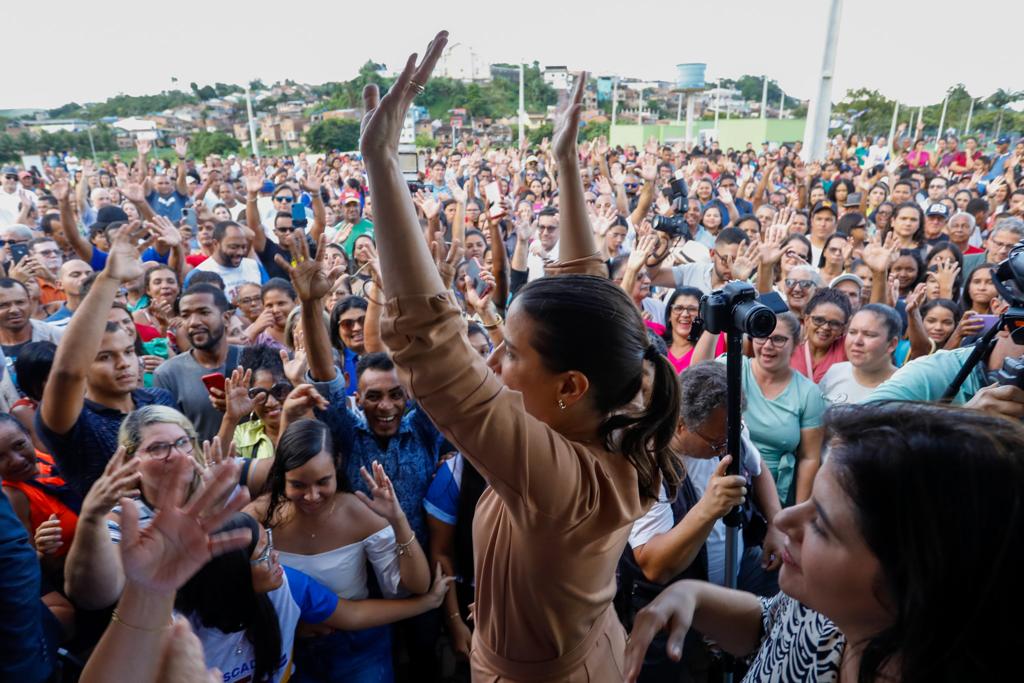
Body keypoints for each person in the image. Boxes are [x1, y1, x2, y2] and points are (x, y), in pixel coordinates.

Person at [348, 40, 682, 680]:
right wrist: (564, 162)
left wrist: (383, 168)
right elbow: (589, 291)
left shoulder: (563, 481)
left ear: (569, 385)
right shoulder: (617, 404)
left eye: (510, 351)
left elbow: (437, 353)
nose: (493, 359)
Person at [624, 402, 1024, 683]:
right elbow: (771, 627)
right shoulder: (822, 608)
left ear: (916, 578)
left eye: (822, 525)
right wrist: (691, 595)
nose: (783, 519)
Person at [620, 362, 783, 682]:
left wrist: (775, 523)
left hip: (740, 574)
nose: (726, 448)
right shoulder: (648, 460)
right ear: (680, 425)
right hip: (670, 607)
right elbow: (653, 564)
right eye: (716, 443)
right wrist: (708, 509)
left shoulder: (726, 426)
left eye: (730, 437)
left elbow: (758, 464)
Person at [248, 419, 433, 682]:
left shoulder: (358, 512)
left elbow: (415, 585)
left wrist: (398, 520)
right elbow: (233, 581)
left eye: (323, 482)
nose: (312, 495)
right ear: (282, 475)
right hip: (287, 647)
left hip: (359, 649)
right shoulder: (260, 515)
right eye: (298, 485)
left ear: (337, 465)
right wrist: (293, 624)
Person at [37, 225, 174, 496]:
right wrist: (110, 277)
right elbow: (67, 373)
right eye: (104, 357)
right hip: (111, 535)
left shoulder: (159, 400)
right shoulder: (74, 422)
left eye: (127, 352)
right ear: (84, 365)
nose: (123, 363)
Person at [732, 313, 825, 507]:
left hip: (778, 494)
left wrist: (799, 513)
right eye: (761, 336)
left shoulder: (808, 393)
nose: (767, 345)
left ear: (796, 342)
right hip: (731, 486)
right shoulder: (733, 368)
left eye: (778, 339)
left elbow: (809, 458)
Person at [153, 283, 245, 444]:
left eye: (204, 312)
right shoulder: (167, 375)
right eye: (186, 315)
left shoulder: (253, 359)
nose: (194, 322)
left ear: (226, 318)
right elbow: (170, 439)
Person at [216, 346, 291, 460]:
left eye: (279, 391)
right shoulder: (243, 434)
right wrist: (230, 418)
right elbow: (216, 465)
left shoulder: (307, 427)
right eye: (259, 394)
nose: (271, 402)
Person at [819, 305, 900, 404]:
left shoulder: (905, 387)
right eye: (852, 332)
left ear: (892, 344)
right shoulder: (835, 372)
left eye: (869, 335)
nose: (857, 341)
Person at [190, 221, 265, 300]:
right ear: (216, 244)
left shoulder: (254, 266)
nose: (240, 252)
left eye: (243, 247)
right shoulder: (199, 273)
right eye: (233, 247)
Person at [792, 288, 852, 383]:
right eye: (819, 320)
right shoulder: (789, 349)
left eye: (835, 323)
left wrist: (879, 276)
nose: (825, 327)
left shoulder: (846, 348)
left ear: (843, 328)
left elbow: (874, 326)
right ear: (806, 320)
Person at [661, 287, 724, 373]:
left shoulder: (715, 339)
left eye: (692, 309)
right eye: (678, 308)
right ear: (669, 315)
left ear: (703, 315)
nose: (685, 314)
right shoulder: (658, 341)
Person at [43, 260, 94, 328]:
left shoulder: (110, 314)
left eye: (89, 274)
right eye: (75, 275)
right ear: (60, 284)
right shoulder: (50, 326)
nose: (85, 277)